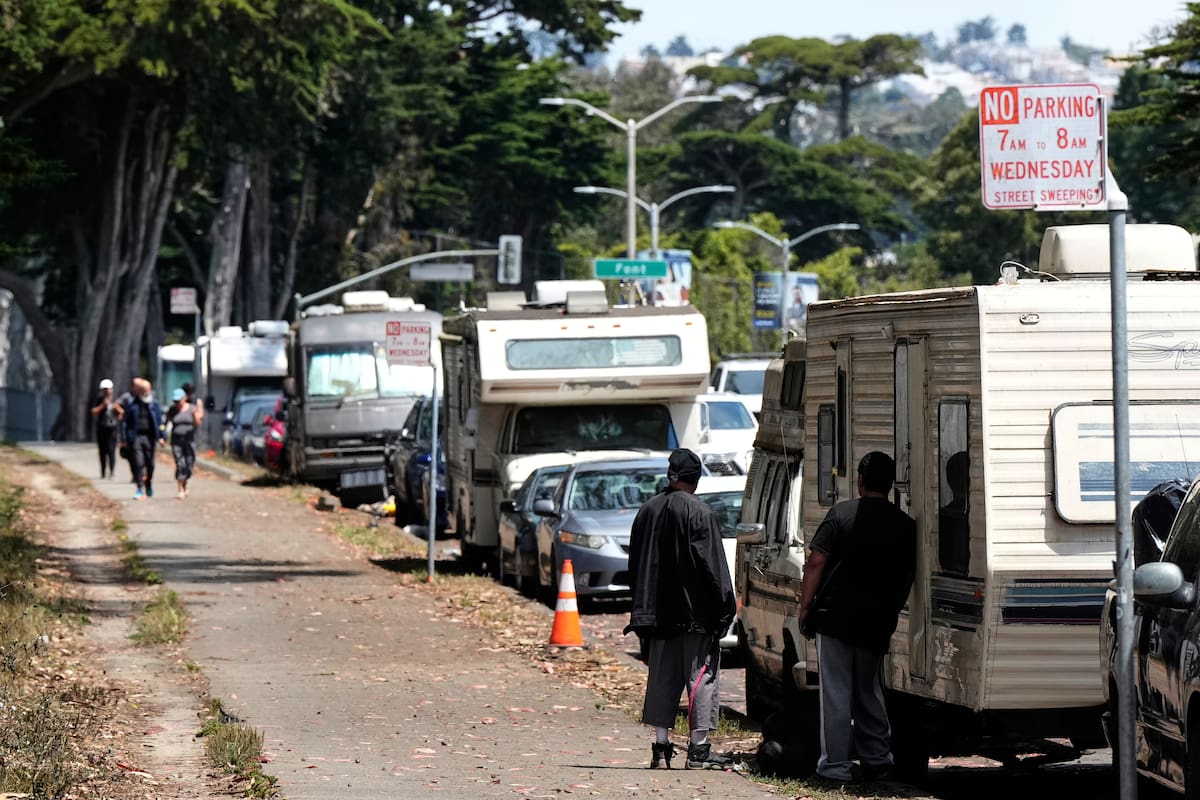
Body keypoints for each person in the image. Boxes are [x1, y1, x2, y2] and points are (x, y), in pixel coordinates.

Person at [798, 451, 916, 785]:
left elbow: (817, 561)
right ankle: (877, 759)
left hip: (834, 618)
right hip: (876, 621)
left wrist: (805, 608)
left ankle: (835, 766)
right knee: (869, 690)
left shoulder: (841, 514)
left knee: (835, 692)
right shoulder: (905, 525)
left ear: (860, 482)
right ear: (891, 485)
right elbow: (907, 576)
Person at [625, 448, 736, 770]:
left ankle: (661, 746)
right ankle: (698, 750)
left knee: (662, 677)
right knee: (701, 678)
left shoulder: (647, 511)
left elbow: (636, 565)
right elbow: (714, 567)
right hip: (695, 615)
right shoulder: (700, 513)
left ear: (670, 476)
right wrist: (725, 610)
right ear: (696, 479)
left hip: (656, 613)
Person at [121, 378, 165, 500]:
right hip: (136, 437)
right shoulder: (132, 404)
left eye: (148, 390)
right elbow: (125, 422)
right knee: (138, 462)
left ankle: (148, 482)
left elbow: (160, 421)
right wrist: (124, 438)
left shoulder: (154, 404)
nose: (147, 393)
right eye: (144, 391)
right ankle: (140, 488)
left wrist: (162, 436)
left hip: (150, 437)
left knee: (150, 464)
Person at [165, 388, 198, 499]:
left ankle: (184, 484)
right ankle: (180, 489)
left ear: (185, 399)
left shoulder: (192, 409)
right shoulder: (172, 410)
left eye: (178, 401)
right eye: (175, 401)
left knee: (189, 464)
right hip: (176, 441)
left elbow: (197, 423)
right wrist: (162, 436)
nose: (176, 403)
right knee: (180, 464)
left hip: (189, 441)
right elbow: (166, 424)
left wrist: (194, 416)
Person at [89, 378, 124, 478]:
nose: (106, 391)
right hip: (101, 428)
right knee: (102, 451)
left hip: (112, 429)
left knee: (111, 450)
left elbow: (122, 413)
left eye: (108, 389)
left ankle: (112, 471)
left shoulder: (116, 400)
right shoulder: (99, 399)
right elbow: (94, 411)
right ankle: (103, 472)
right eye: (104, 389)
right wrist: (102, 406)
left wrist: (117, 409)